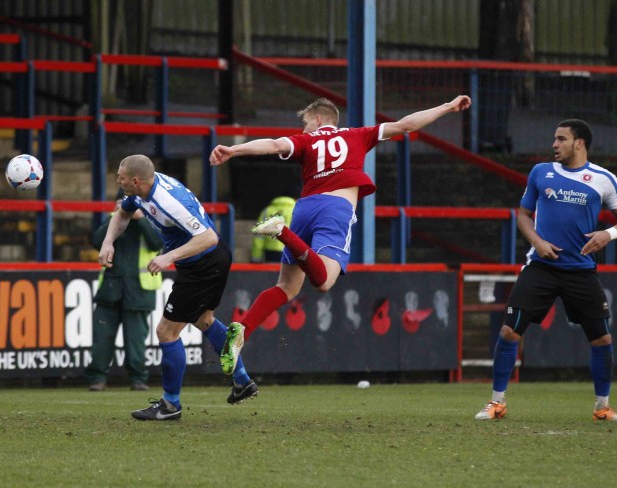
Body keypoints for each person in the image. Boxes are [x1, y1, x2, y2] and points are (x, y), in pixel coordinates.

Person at [209, 95, 472, 375]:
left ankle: (243, 332)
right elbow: (406, 125)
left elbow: (273, 145)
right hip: (335, 209)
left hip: (304, 209)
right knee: (323, 281)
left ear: (319, 119)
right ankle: (282, 232)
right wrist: (446, 107)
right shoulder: (359, 135)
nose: (304, 130)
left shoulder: (307, 142)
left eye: (306, 123)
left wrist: (234, 151)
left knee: (286, 287)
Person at [474, 119, 617, 422]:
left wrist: (607, 235)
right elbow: (523, 215)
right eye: (554, 139)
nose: (554, 145)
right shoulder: (541, 172)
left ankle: (602, 407)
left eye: (561, 139)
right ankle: (497, 402)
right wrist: (538, 240)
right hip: (541, 267)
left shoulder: (604, 179)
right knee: (509, 330)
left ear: (579, 143)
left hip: (580, 270)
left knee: (602, 339)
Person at [98, 154, 259, 421]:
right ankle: (242, 381)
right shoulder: (141, 192)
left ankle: (170, 405)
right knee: (204, 320)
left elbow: (208, 237)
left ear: (135, 181)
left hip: (204, 263)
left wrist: (168, 256)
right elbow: (122, 214)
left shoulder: (167, 201)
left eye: (121, 176)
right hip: (205, 261)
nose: (117, 180)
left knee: (166, 331)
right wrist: (108, 243)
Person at [86, 189, 164, 392]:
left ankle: (138, 379)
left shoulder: (150, 221)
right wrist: (116, 217)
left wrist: (140, 219)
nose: (128, 207)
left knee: (136, 340)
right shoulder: (112, 221)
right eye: (123, 202)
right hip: (110, 290)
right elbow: (97, 241)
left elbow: (158, 243)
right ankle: (97, 378)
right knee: (102, 338)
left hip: (139, 291)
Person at [250, 196, 296, 263]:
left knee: (271, 273)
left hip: (270, 251)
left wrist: (256, 258)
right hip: (290, 250)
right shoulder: (296, 210)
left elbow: (259, 237)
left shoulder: (267, 210)